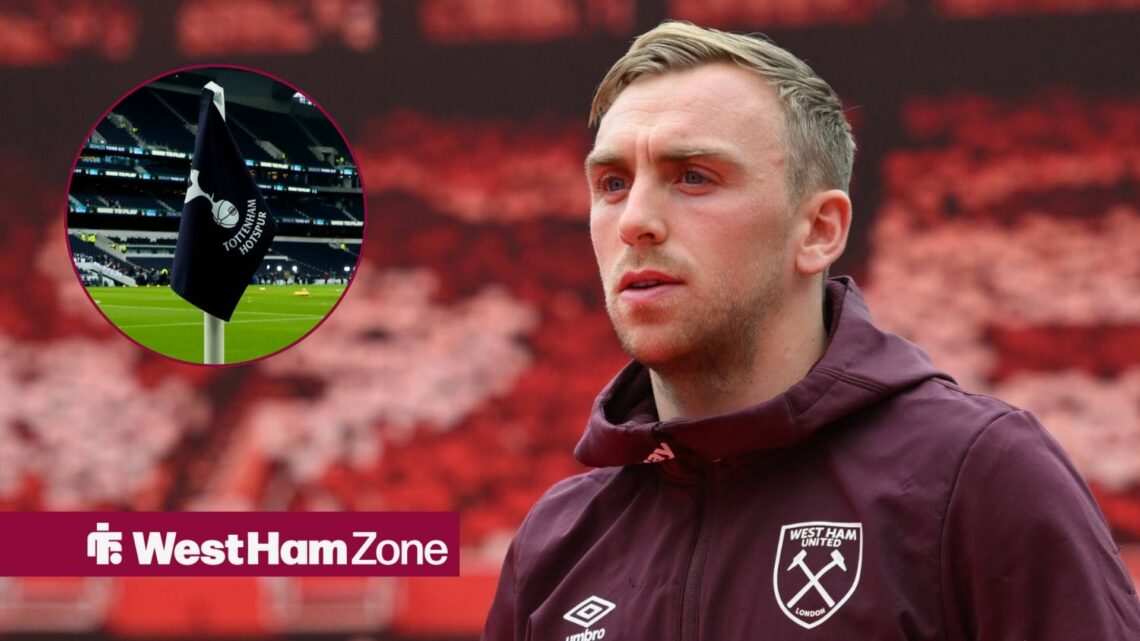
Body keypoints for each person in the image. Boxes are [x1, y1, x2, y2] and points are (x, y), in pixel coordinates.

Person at [481, 20, 1140, 641]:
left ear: (819, 229)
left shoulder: (979, 478)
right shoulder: (554, 543)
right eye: (613, 182)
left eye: (693, 176)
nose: (634, 221)